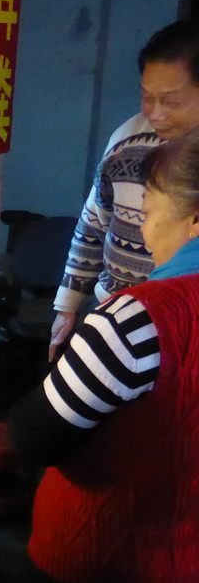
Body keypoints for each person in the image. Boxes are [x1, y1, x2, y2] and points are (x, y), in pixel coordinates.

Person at [0, 127, 199, 583]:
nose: (140, 220)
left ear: (192, 216)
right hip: (186, 574)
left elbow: (34, 435)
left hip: (91, 558)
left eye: (152, 202)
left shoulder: (137, 319)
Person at [49, 20, 199, 361]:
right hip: (110, 320)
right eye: (147, 97)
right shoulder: (127, 139)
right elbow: (93, 224)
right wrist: (68, 305)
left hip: (180, 336)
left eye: (171, 102)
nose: (156, 114)